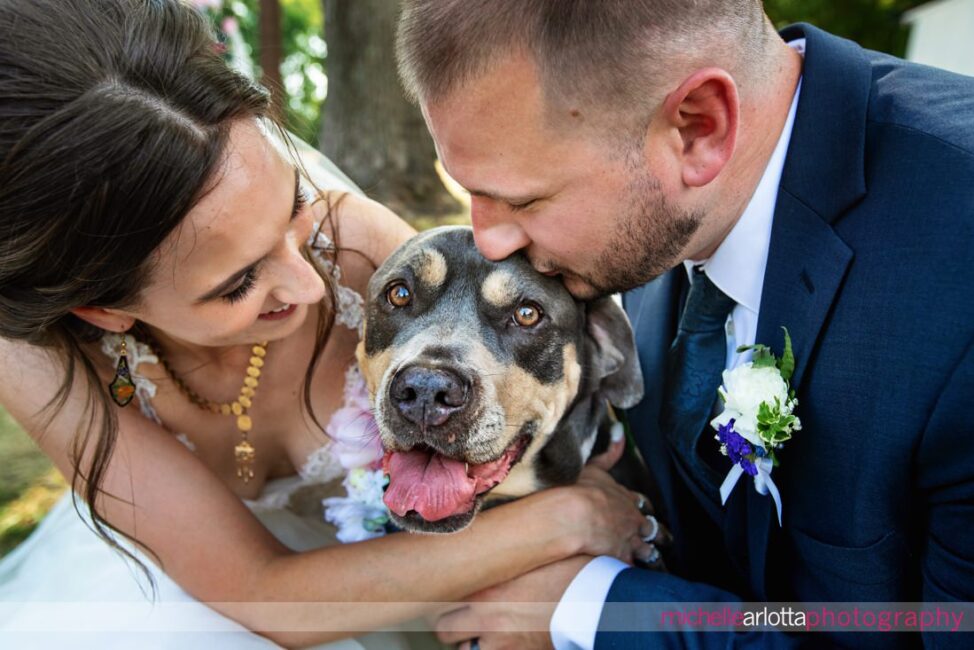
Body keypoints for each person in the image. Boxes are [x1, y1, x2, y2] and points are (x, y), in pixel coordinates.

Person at [0, 1, 657, 648]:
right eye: (238, 283)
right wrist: (565, 520)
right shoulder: (34, 357)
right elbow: (257, 592)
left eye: (294, 207)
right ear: (104, 310)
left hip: (409, 572)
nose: (312, 283)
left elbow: (511, 415)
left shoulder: (359, 248)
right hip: (191, 584)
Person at [397, 0, 974, 648]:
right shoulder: (646, 220)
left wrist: (594, 606)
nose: (488, 241)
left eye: (522, 199)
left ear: (698, 128)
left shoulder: (958, 294)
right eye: (467, 189)